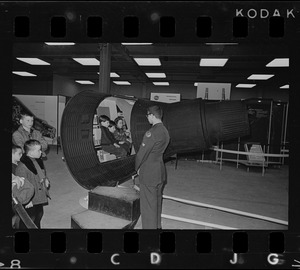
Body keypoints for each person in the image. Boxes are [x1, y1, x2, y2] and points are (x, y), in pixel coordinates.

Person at [135, 105, 170, 229]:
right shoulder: (165, 131)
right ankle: (157, 227)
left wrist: (136, 168)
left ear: (152, 115)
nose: (147, 118)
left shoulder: (152, 132)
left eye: (147, 115)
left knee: (148, 206)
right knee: (157, 202)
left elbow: (141, 154)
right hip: (159, 170)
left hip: (149, 172)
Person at [15, 139, 50, 228]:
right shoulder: (22, 167)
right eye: (38, 150)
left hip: (38, 193)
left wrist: (45, 179)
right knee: (30, 218)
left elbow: (42, 172)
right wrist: (28, 201)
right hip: (30, 197)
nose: (41, 152)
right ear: (30, 152)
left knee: (39, 213)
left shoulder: (37, 160)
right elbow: (21, 186)